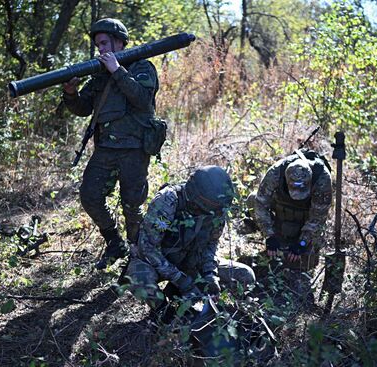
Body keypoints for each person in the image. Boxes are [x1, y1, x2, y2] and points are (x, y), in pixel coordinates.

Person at [62, 18, 159, 269]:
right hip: (105, 148)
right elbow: (84, 107)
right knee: (90, 196)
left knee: (132, 205)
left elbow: (142, 100)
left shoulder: (142, 68)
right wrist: (71, 93)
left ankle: (137, 255)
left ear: (119, 42)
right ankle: (114, 242)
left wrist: (118, 71)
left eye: (105, 43)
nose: (101, 49)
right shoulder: (99, 75)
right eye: (98, 45)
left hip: (134, 150)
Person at [125, 165, 256, 313]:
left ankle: (178, 296)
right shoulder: (168, 202)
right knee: (140, 281)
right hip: (159, 262)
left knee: (245, 275)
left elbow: (211, 244)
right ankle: (164, 315)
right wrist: (179, 279)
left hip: (191, 261)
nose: (215, 212)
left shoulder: (218, 208)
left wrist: (210, 275)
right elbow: (148, 248)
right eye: (210, 206)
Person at [250, 149, 332, 303]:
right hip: (282, 215)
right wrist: (269, 235)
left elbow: (318, 217)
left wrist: (302, 243)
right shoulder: (276, 172)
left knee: (304, 264)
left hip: (305, 221)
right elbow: (260, 203)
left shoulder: (322, 179)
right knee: (251, 199)